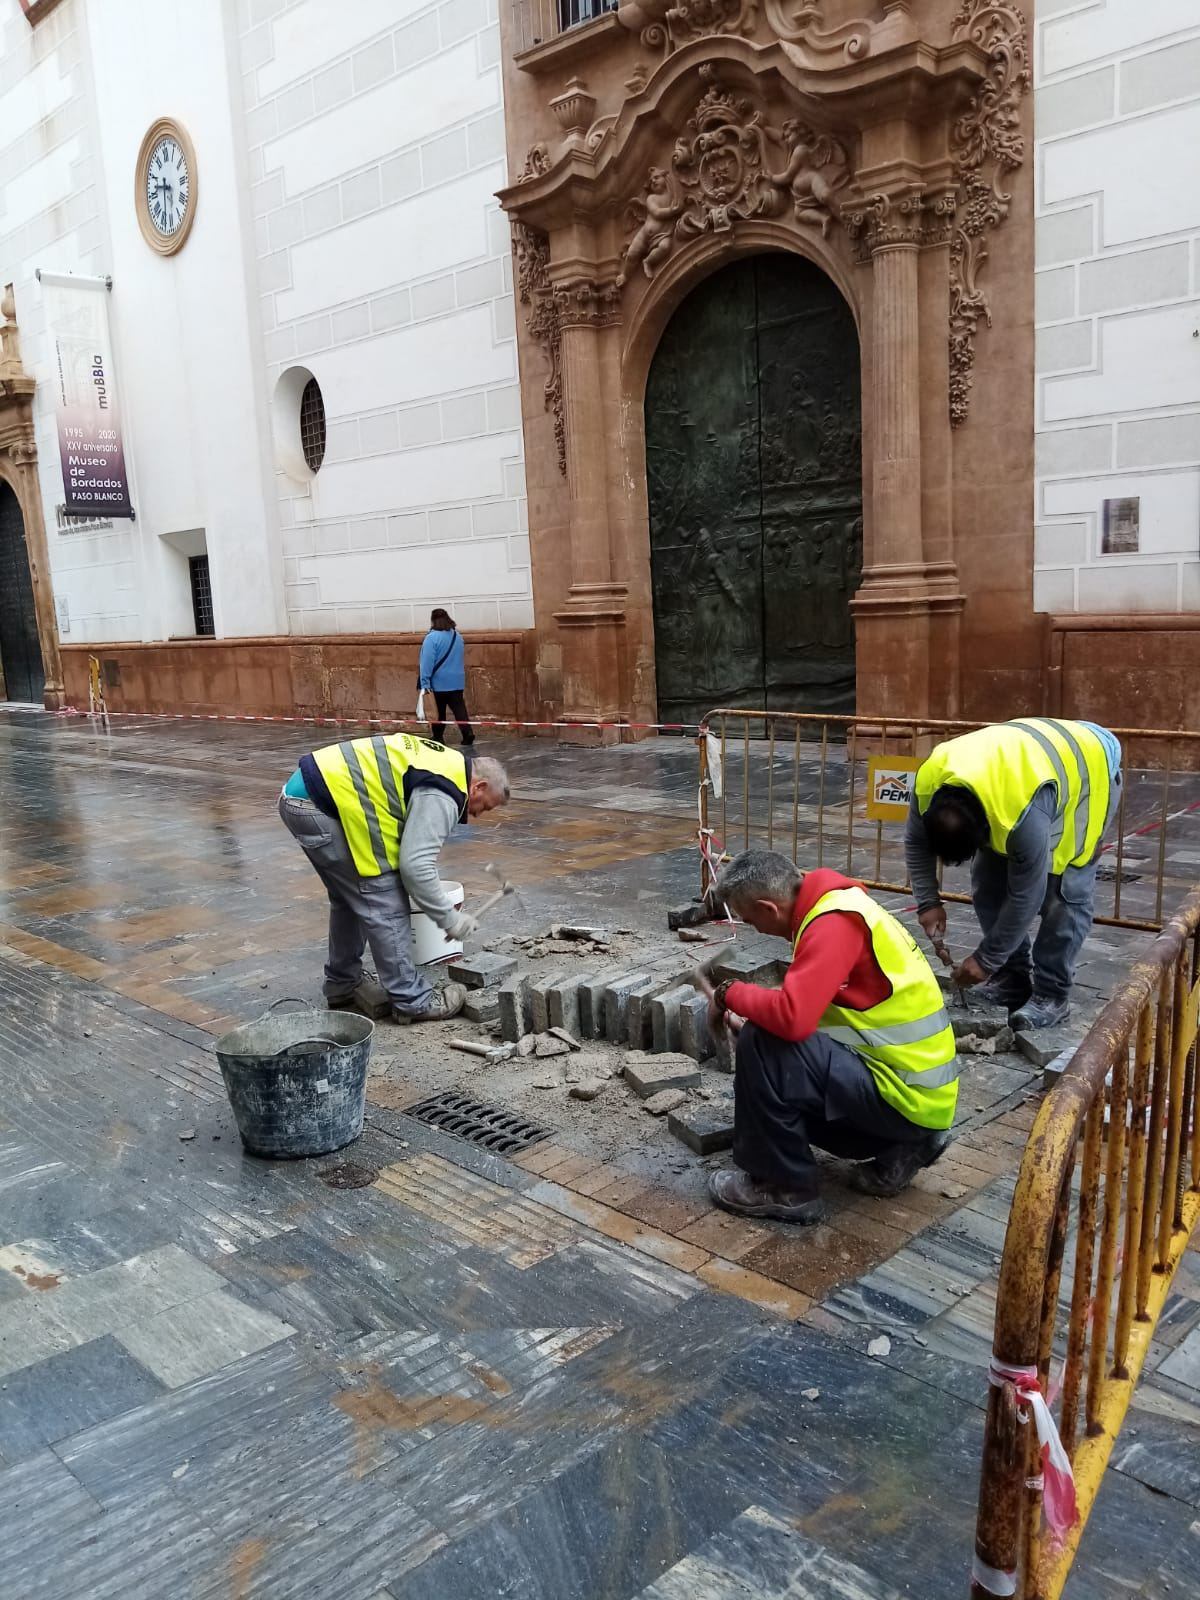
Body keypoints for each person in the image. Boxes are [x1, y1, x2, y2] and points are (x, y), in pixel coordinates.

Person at [700, 849, 957, 1225]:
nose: (754, 928)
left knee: (761, 1039)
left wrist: (728, 994)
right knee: (769, 1046)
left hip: (905, 1096)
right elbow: (833, 1009)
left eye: (751, 920)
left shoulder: (832, 924)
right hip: (918, 1095)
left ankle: (784, 1188)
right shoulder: (839, 904)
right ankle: (905, 1146)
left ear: (769, 908)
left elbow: (792, 1019)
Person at [906, 718, 1123, 1030]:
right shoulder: (928, 783)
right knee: (988, 880)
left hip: (1089, 767)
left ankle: (1052, 995)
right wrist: (927, 902)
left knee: (1062, 890)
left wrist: (985, 960)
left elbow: (1027, 894)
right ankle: (1013, 978)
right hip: (1025, 764)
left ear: (984, 829)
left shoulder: (1024, 815)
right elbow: (915, 841)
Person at [279, 731, 509, 1023]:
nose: (476, 815)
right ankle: (412, 1000)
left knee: (350, 897)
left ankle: (342, 983)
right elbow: (416, 866)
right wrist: (450, 919)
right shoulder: (445, 792)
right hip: (321, 805)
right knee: (383, 897)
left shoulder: (445, 762)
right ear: (479, 786)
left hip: (304, 796)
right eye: (484, 806)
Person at [419, 608, 474, 746]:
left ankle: (438, 736)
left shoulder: (431, 639)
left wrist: (424, 682)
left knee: (439, 710)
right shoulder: (457, 636)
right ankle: (468, 733)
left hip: (439, 682)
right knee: (459, 708)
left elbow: (426, 662)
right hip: (457, 680)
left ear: (433, 620)